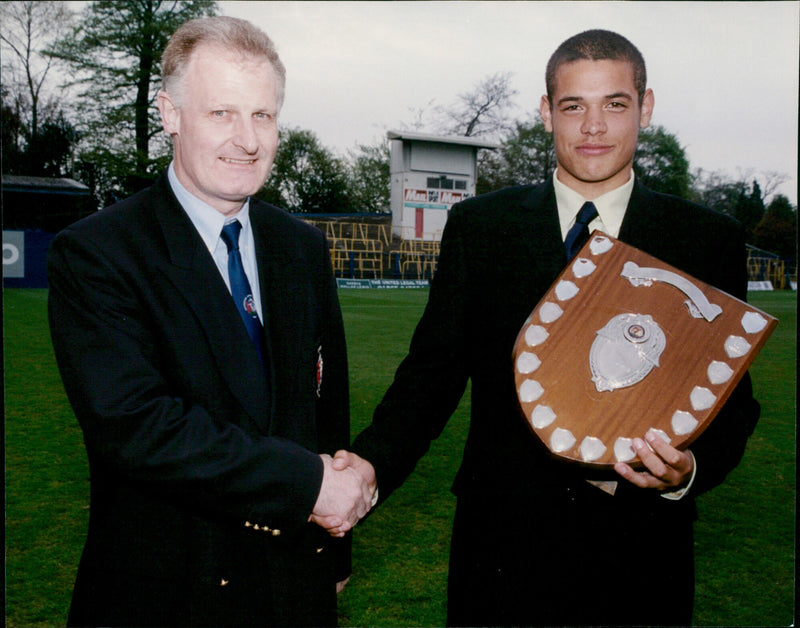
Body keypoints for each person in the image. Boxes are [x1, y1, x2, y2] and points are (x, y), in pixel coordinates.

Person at [324, 29, 761, 626]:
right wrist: (367, 468)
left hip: (641, 555)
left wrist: (687, 472)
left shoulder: (704, 238)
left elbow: (733, 400)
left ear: (646, 107)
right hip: (503, 547)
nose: (593, 127)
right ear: (545, 111)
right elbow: (431, 376)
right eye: (573, 105)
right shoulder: (483, 226)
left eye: (615, 104)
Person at [48, 16, 374, 627]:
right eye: (221, 113)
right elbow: (137, 426)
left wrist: (334, 551)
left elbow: (327, 410)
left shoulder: (301, 247)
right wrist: (306, 483)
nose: (246, 140)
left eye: (263, 116)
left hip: (293, 588)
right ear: (171, 115)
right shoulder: (99, 252)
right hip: (168, 594)